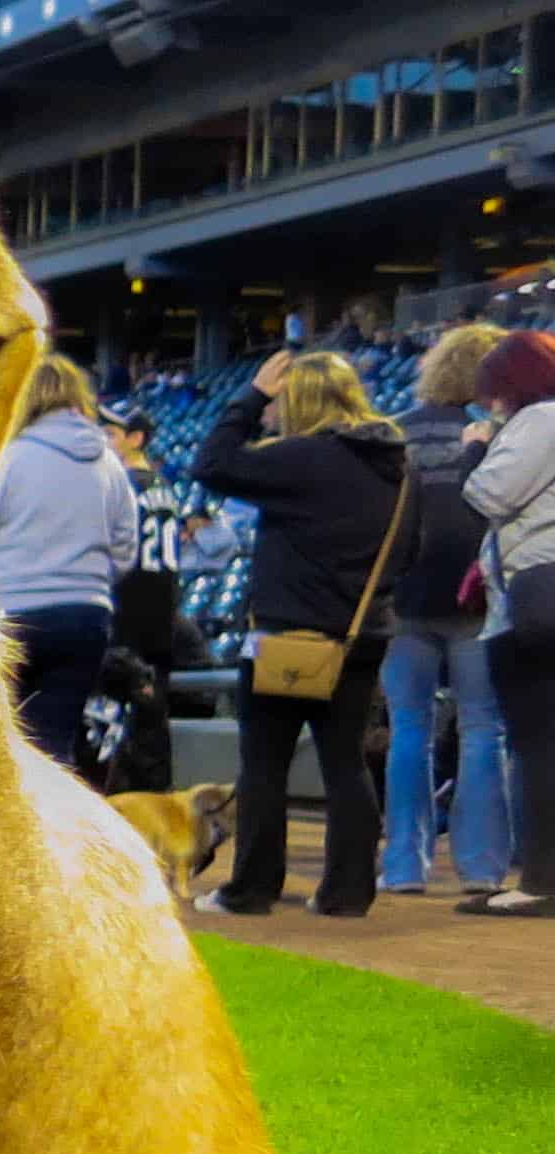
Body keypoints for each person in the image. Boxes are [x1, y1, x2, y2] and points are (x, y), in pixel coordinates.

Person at [193, 347, 408, 917]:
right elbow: (413, 548)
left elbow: (210, 463)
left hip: (288, 637)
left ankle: (252, 890)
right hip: (362, 634)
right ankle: (347, 893)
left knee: (264, 764)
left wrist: (252, 396)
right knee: (346, 761)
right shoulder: (396, 463)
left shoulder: (300, 457)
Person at [382, 322, 514, 895]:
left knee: (408, 727)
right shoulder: (507, 433)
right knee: (484, 730)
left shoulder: (396, 433)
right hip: (478, 598)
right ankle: (483, 868)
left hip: (405, 597)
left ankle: (405, 867)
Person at [0, 352, 138, 770]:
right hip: (86, 617)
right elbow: (126, 551)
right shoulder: (110, 463)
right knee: (55, 751)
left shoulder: (7, 456)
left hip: (10, 616)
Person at [460, 327, 555, 917]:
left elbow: (488, 495)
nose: (489, 405)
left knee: (538, 745)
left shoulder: (541, 417)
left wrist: (476, 446)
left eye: (493, 393)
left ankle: (542, 881)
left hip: (541, 588)